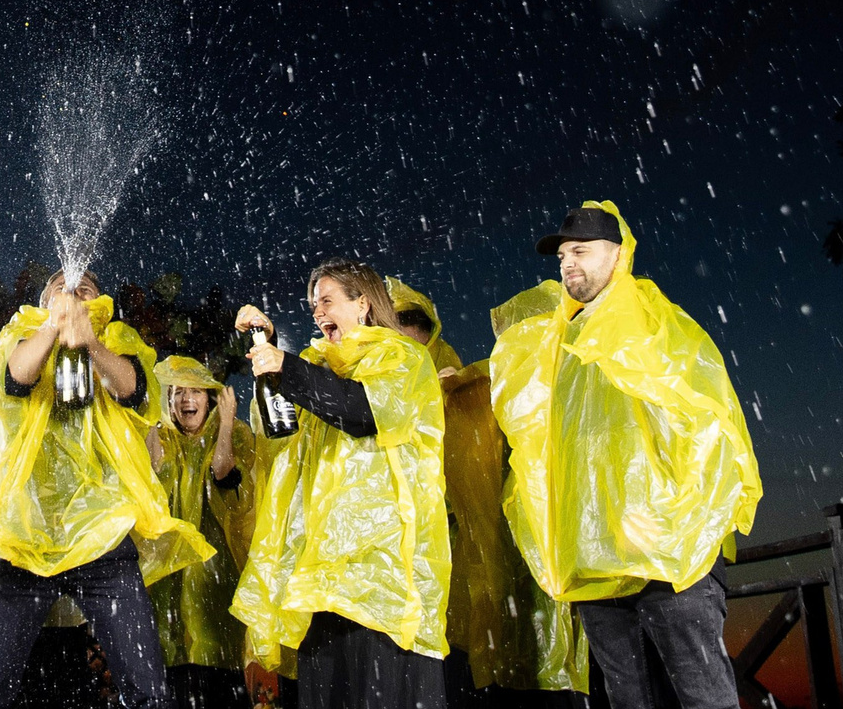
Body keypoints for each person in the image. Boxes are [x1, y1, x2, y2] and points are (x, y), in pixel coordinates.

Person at [489, 202, 762, 709]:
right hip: (594, 556)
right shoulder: (556, 340)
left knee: (700, 693)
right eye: (564, 255)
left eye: (582, 251)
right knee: (629, 698)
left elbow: (709, 422)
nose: (570, 263)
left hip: (668, 555)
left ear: (618, 254)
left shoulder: (658, 323)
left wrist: (684, 519)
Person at [0, 269, 213, 709]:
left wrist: (89, 342)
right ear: (43, 301)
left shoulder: (119, 338)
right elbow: (15, 380)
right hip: (27, 532)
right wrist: (55, 327)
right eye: (61, 288)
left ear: (101, 300)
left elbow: (134, 390)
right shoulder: (21, 333)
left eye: (84, 289)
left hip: (103, 533)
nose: (73, 293)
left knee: (147, 686)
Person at [231, 259, 449, 709]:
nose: (317, 312)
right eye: (313, 305)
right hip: (323, 574)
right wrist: (265, 349)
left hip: (383, 573)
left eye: (327, 300)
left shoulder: (403, 359)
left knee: (384, 695)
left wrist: (285, 367)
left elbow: (362, 411)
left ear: (363, 303)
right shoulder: (317, 364)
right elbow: (281, 428)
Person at [387, 279, 586, 707]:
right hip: (451, 567)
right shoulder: (408, 387)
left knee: (525, 665)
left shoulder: (470, 386)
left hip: (507, 557)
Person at [145, 356, 252, 709]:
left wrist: (225, 425)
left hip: (216, 580)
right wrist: (148, 421)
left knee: (220, 676)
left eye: (195, 391)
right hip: (168, 584)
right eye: (177, 392)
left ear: (210, 398)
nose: (186, 400)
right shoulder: (162, 436)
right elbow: (149, 480)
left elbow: (226, 477)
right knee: (172, 675)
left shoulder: (235, 433)